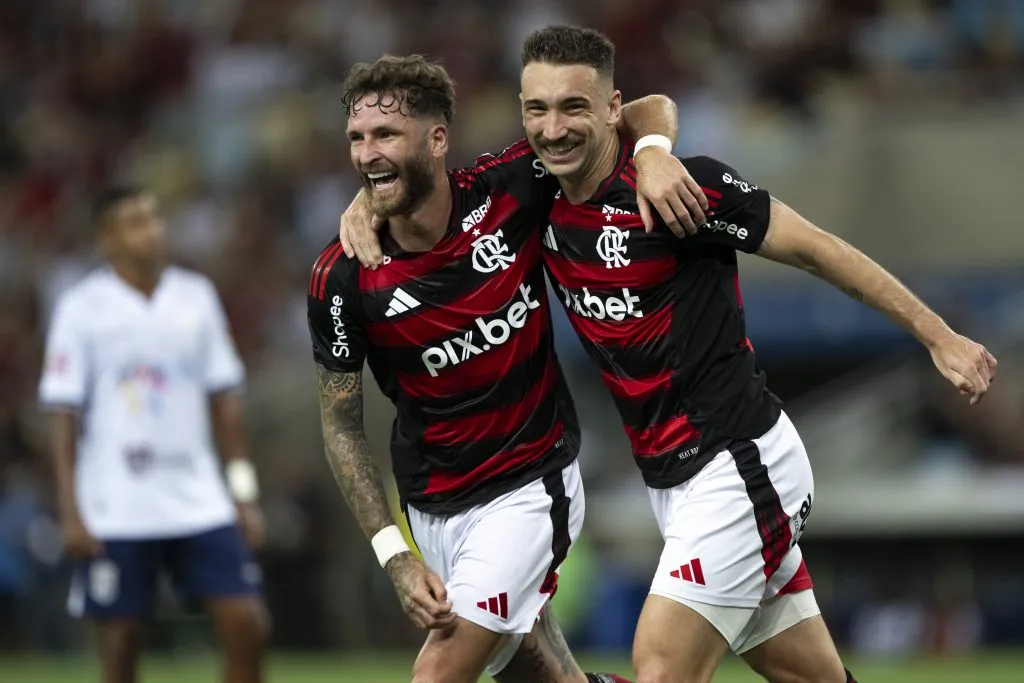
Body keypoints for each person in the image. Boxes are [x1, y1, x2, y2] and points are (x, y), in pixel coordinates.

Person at [342, 25, 999, 683]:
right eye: (536, 109)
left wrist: (938, 335)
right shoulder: (534, 192)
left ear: (610, 108)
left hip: (741, 463)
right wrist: (369, 197)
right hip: (673, 486)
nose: (553, 127)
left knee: (659, 663)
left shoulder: (682, 191)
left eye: (574, 106)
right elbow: (425, 187)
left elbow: (818, 248)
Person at [307, 54, 705, 683]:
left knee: (437, 674)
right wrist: (394, 556)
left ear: (438, 139)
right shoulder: (343, 274)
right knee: (533, 672)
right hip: (430, 507)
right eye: (357, 138)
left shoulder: (510, 187)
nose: (366, 152)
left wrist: (652, 150)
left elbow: (643, 109)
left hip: (530, 485)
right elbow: (340, 425)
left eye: (385, 135)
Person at [38, 187, 270, 683]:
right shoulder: (81, 308)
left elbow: (225, 403)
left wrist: (244, 495)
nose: (152, 229)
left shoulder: (196, 296)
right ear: (107, 238)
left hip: (198, 497)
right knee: (121, 647)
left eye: (154, 217)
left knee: (248, 626)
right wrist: (70, 510)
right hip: (117, 503)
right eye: (135, 221)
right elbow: (63, 416)